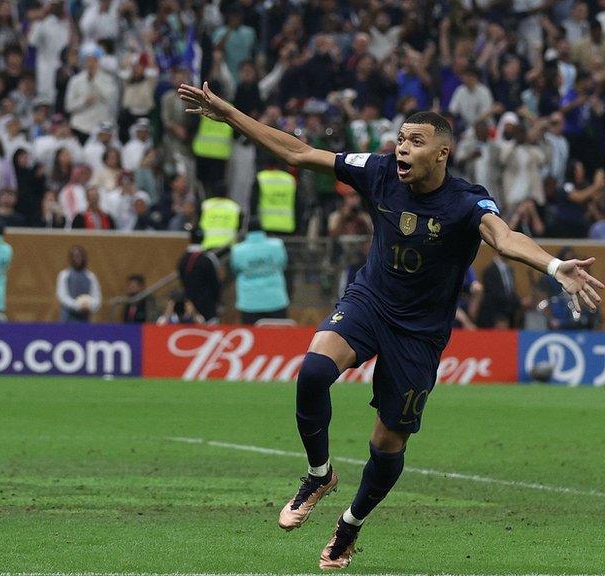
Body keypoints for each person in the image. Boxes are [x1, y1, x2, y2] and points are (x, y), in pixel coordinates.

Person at [179, 83, 603, 569]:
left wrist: (553, 267)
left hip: (419, 334)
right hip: (371, 302)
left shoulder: (467, 202)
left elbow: (505, 239)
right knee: (314, 370)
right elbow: (298, 151)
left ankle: (350, 526)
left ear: (442, 153)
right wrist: (231, 113)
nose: (402, 147)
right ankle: (319, 474)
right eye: (401, 138)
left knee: (388, 442)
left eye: (416, 141)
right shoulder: (378, 170)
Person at [230, 217, 290, 324]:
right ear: (262, 229)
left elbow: (235, 269)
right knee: (279, 338)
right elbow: (283, 264)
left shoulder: (237, 250)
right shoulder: (277, 245)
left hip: (249, 302)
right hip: (276, 299)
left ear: (247, 230)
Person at [177, 227, 223, 323]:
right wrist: (218, 301)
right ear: (203, 238)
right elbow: (215, 282)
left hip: (190, 304)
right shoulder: (208, 258)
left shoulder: (183, 260)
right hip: (207, 306)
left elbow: (182, 281)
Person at [57, 245, 102, 323]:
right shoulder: (64, 275)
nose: (78, 259)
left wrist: (90, 306)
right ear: (71, 258)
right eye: (76, 256)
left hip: (85, 318)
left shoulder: (90, 276)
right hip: (67, 319)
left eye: (81, 256)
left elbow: (96, 296)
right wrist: (78, 306)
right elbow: (62, 296)